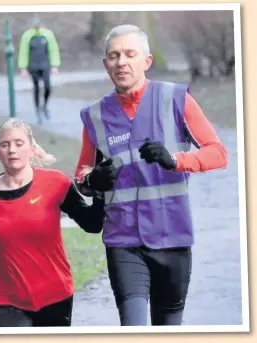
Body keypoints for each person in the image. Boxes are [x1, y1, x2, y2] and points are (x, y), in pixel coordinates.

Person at [74, 24, 229, 326]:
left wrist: (174, 159)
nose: (121, 62)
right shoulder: (95, 115)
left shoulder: (175, 99)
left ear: (146, 60)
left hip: (173, 235)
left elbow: (218, 153)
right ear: (105, 63)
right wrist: (91, 181)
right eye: (114, 55)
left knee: (168, 327)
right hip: (123, 241)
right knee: (133, 326)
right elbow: (82, 174)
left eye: (130, 54)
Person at [0, 118, 108, 327]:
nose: (12, 150)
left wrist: (100, 191)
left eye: (19, 143)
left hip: (55, 293)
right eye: (5, 145)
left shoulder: (56, 183)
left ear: (31, 149)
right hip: (8, 297)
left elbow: (92, 224)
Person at [17, 17, 61, 125]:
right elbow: (23, 52)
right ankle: (38, 112)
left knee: (48, 87)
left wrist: (55, 65)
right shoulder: (28, 36)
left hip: (45, 65)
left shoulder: (47, 35)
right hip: (33, 66)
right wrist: (23, 68)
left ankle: (44, 106)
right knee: (36, 88)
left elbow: (53, 49)